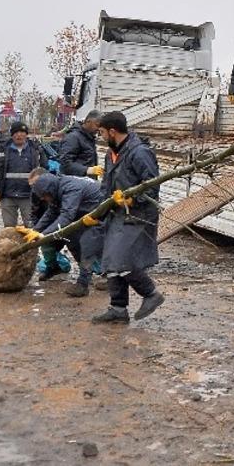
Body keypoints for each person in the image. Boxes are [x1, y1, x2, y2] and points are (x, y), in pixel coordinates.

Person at [93, 111, 164, 323]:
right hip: (117, 214)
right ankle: (118, 308)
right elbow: (107, 186)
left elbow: (152, 186)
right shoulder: (111, 153)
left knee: (120, 259)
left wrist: (134, 200)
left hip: (139, 215)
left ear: (113, 131)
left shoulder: (140, 153)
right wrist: (98, 213)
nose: (101, 137)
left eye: (103, 133)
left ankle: (151, 294)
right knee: (110, 260)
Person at [26, 168, 105, 297]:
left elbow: (67, 216)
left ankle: (95, 279)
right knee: (67, 240)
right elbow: (51, 212)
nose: (45, 199)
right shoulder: (57, 188)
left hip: (101, 214)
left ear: (49, 190)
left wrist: (43, 234)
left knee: (86, 243)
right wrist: (35, 231)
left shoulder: (71, 189)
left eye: (45, 196)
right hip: (83, 215)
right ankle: (55, 268)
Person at [0, 122, 48, 227]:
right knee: (9, 228)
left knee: (32, 227)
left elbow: (45, 170)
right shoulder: (2, 150)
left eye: (22, 132)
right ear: (12, 135)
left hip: (29, 196)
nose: (19, 135)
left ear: (26, 134)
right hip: (7, 196)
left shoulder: (36, 150)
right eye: (16, 132)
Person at [59, 110, 102, 177]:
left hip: (87, 182)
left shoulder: (89, 138)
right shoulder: (73, 137)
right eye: (97, 125)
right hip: (75, 183)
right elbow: (65, 163)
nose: (98, 129)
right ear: (88, 121)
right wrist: (87, 170)